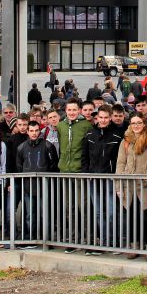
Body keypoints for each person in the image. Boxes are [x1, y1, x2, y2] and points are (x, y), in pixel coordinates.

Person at [116, 112, 147, 261]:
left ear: (144, 124)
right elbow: (120, 163)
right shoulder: (126, 141)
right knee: (131, 216)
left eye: (139, 123)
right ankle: (134, 244)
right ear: (130, 124)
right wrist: (119, 185)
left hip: (145, 184)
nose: (136, 125)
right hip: (128, 184)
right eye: (133, 123)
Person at [82, 104, 122, 252]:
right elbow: (85, 157)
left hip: (110, 178)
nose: (103, 120)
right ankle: (104, 241)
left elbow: (119, 158)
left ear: (110, 118)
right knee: (99, 212)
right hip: (94, 178)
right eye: (101, 117)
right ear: (97, 118)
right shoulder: (90, 135)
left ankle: (115, 241)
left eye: (106, 118)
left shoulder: (118, 135)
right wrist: (86, 173)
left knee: (112, 211)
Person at [56, 98, 93, 253]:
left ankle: (89, 239)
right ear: (66, 111)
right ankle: (72, 239)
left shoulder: (86, 125)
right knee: (68, 207)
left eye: (74, 110)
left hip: (79, 170)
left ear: (79, 110)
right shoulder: (61, 126)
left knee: (83, 206)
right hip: (65, 170)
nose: (71, 112)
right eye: (69, 110)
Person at [16, 121, 59, 245]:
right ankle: (31, 239)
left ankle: (47, 240)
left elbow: (53, 165)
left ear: (39, 132)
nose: (34, 133)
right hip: (28, 187)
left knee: (45, 214)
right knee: (30, 214)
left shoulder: (48, 146)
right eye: (31, 131)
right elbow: (19, 166)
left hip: (45, 187)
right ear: (28, 131)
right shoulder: (21, 147)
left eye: (36, 131)